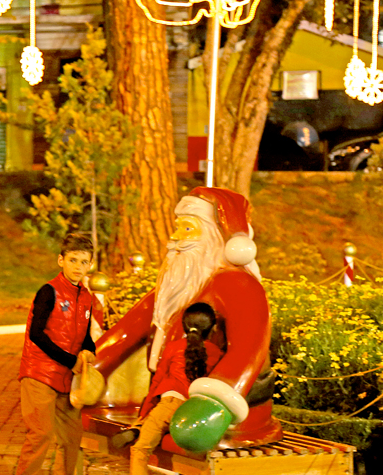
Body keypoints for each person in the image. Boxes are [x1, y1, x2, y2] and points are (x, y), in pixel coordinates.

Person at [94, 187, 281, 451]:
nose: (175, 237)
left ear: (216, 237)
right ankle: (143, 429)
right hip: (170, 386)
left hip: (222, 407)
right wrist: (93, 362)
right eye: (177, 228)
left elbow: (249, 350)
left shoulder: (238, 285)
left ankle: (148, 435)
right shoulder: (179, 285)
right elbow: (129, 329)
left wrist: (212, 402)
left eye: (188, 230)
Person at [1, 232, 100, 475]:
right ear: (61, 260)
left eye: (84, 262)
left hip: (66, 380)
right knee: (41, 434)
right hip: (39, 374)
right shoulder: (48, 291)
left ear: (90, 265)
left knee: (71, 438)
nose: (78, 267)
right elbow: (36, 334)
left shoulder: (87, 298)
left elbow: (85, 337)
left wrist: (88, 350)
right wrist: (71, 360)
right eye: (73, 260)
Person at [126, 303, 223, 475]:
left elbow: (157, 383)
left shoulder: (173, 347)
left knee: (140, 451)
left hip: (169, 405)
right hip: (194, 414)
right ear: (213, 328)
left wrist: (144, 412)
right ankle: (138, 427)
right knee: (156, 427)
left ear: (184, 326)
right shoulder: (218, 354)